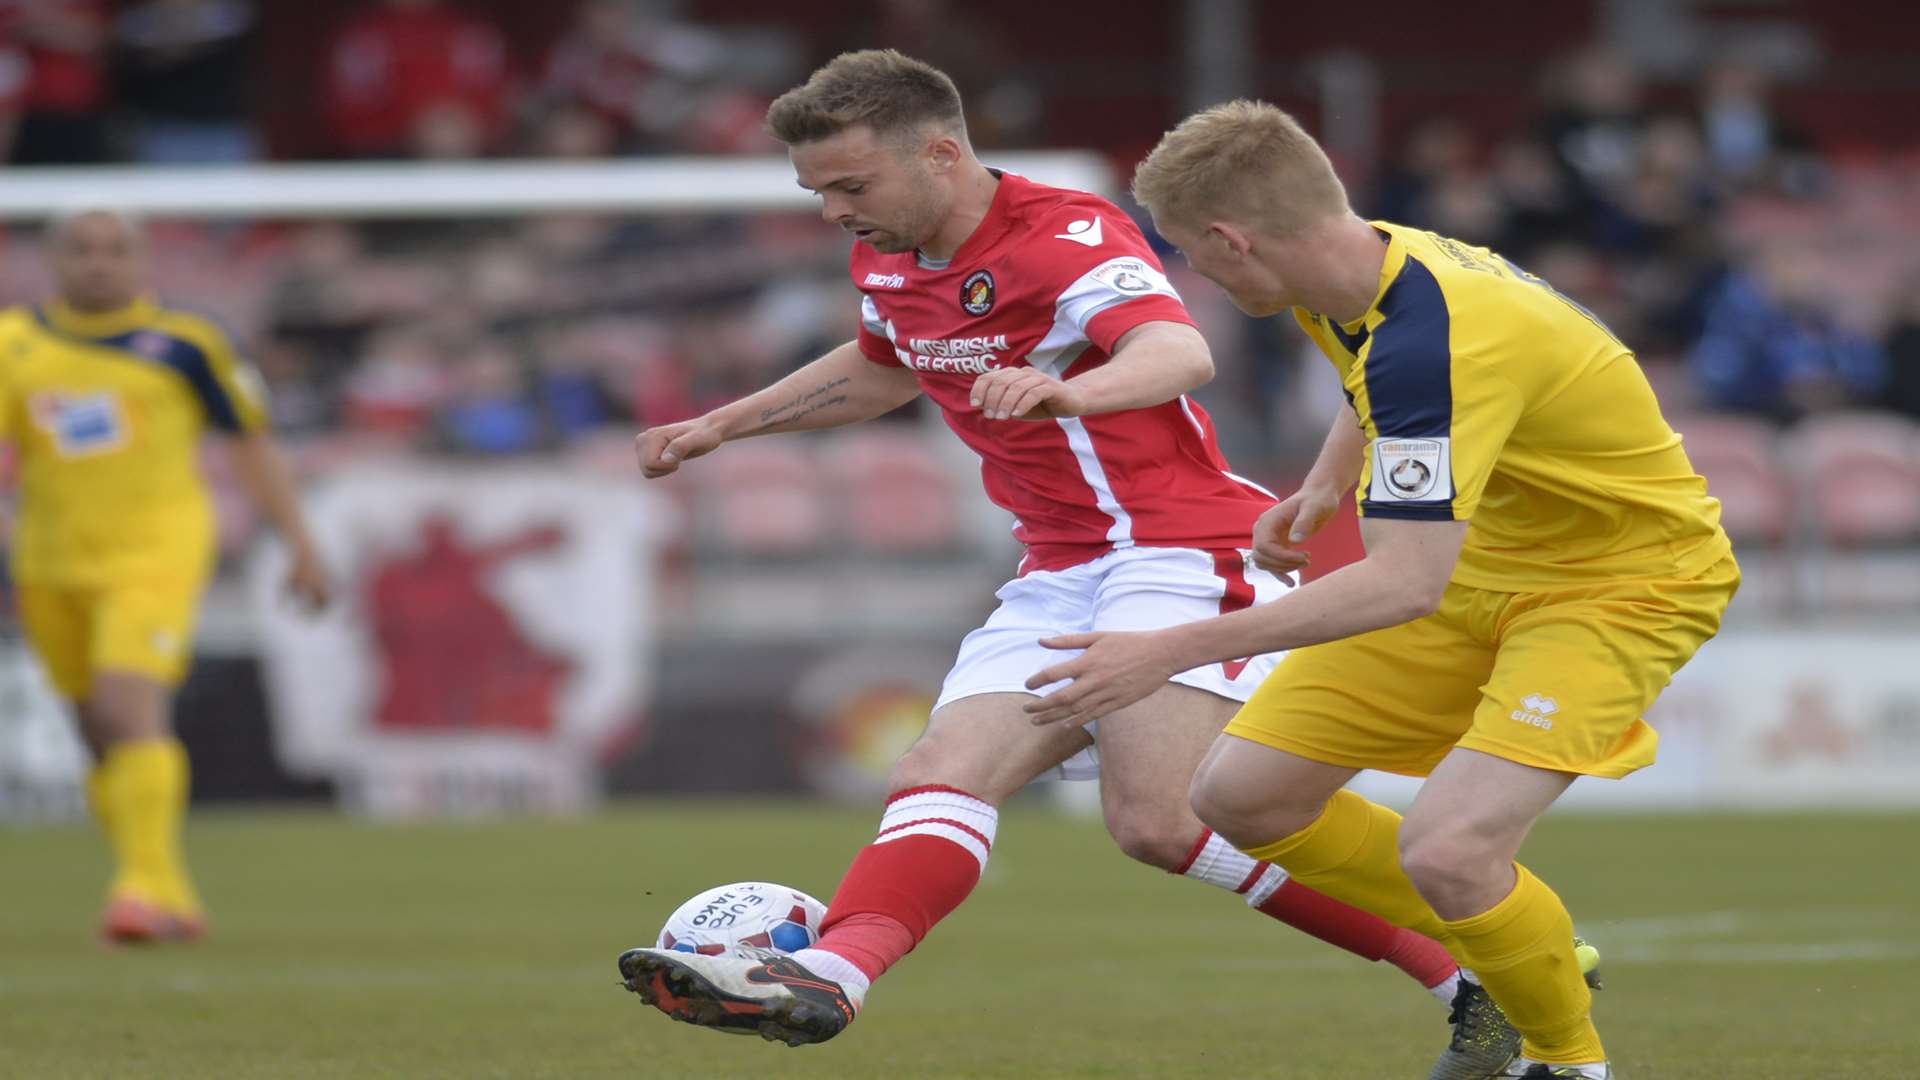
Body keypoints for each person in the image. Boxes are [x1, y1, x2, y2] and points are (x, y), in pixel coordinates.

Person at [612, 51, 1521, 1075]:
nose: (831, 211)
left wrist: (1068, 393)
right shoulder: (889, 256)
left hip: (1178, 546)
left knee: (1158, 819)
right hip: (1059, 567)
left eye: (850, 185)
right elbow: (880, 370)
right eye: (816, 190)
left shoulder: (1065, 232)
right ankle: (834, 977)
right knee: (938, 772)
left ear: (942, 154)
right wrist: (721, 425)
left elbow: (1181, 354)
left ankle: (1476, 965)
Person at [1020, 100, 1740, 1080]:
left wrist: (1163, 652)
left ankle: (1566, 1062)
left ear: (1237, 240)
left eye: (1193, 254)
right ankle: (1516, 950)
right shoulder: (1362, 268)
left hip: (1620, 585)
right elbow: (1385, 385)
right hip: (1493, 561)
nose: (1198, 279)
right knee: (1244, 796)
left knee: (1451, 851)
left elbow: (1404, 578)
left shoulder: (1435, 332)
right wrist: (1324, 483)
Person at [0, 208, 334, 943]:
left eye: (114, 250)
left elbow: (250, 443)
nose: (98, 263)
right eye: (81, 250)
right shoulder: (13, 343)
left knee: (127, 707)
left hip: (153, 550)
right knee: (94, 732)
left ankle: (137, 891)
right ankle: (168, 890)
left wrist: (301, 545)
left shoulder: (188, 343)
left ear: (141, 260)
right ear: (54, 262)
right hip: (50, 559)